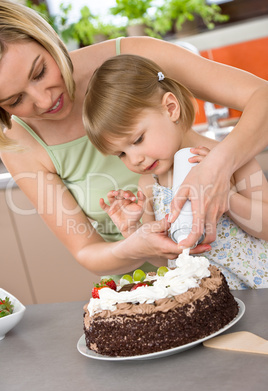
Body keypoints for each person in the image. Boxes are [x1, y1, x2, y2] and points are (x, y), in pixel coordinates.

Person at [0, 1, 268, 278]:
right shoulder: (147, 185)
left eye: (40, 71)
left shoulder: (133, 62)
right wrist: (133, 241)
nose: (44, 100)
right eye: (15, 100)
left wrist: (219, 168)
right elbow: (88, 251)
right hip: (157, 290)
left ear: (48, 40)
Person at [83, 54, 268, 289]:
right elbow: (165, 258)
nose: (135, 159)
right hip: (202, 306)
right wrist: (133, 231)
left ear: (171, 108)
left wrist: (227, 197)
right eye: (121, 154)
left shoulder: (230, 158)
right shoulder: (149, 185)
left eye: (138, 139)